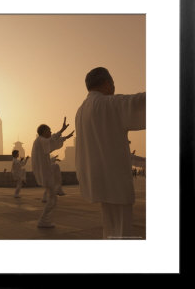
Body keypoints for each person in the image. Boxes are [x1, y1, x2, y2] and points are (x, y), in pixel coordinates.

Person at [75, 67, 145, 239]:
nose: (114, 88)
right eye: (113, 83)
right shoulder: (108, 103)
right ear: (106, 84)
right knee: (122, 231)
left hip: (98, 180)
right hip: (115, 181)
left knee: (110, 228)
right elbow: (139, 102)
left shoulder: (81, 111)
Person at [31, 119, 74, 228]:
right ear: (44, 131)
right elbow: (52, 140)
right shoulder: (41, 140)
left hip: (46, 172)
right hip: (45, 174)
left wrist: (64, 135)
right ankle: (43, 221)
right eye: (49, 130)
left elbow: (52, 139)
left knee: (55, 166)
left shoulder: (40, 141)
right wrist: (62, 132)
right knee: (53, 200)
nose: (50, 132)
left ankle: (58, 188)